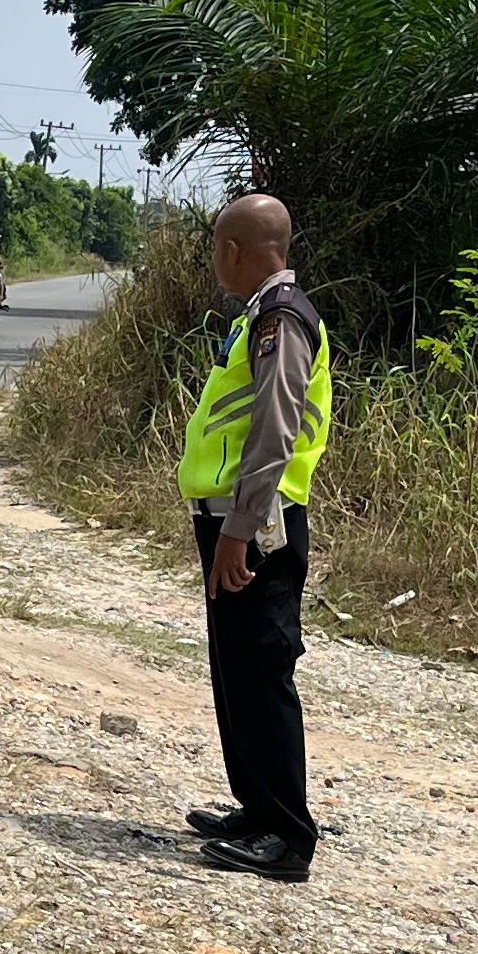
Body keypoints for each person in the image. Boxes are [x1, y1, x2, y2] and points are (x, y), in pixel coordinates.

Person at [177, 192, 332, 884]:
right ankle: (254, 808)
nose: (217, 263)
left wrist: (241, 530)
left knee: (263, 670)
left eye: (218, 249)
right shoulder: (259, 317)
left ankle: (286, 835)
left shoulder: (281, 320)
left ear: (236, 250)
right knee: (234, 667)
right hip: (231, 517)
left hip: (258, 523)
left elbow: (276, 427)